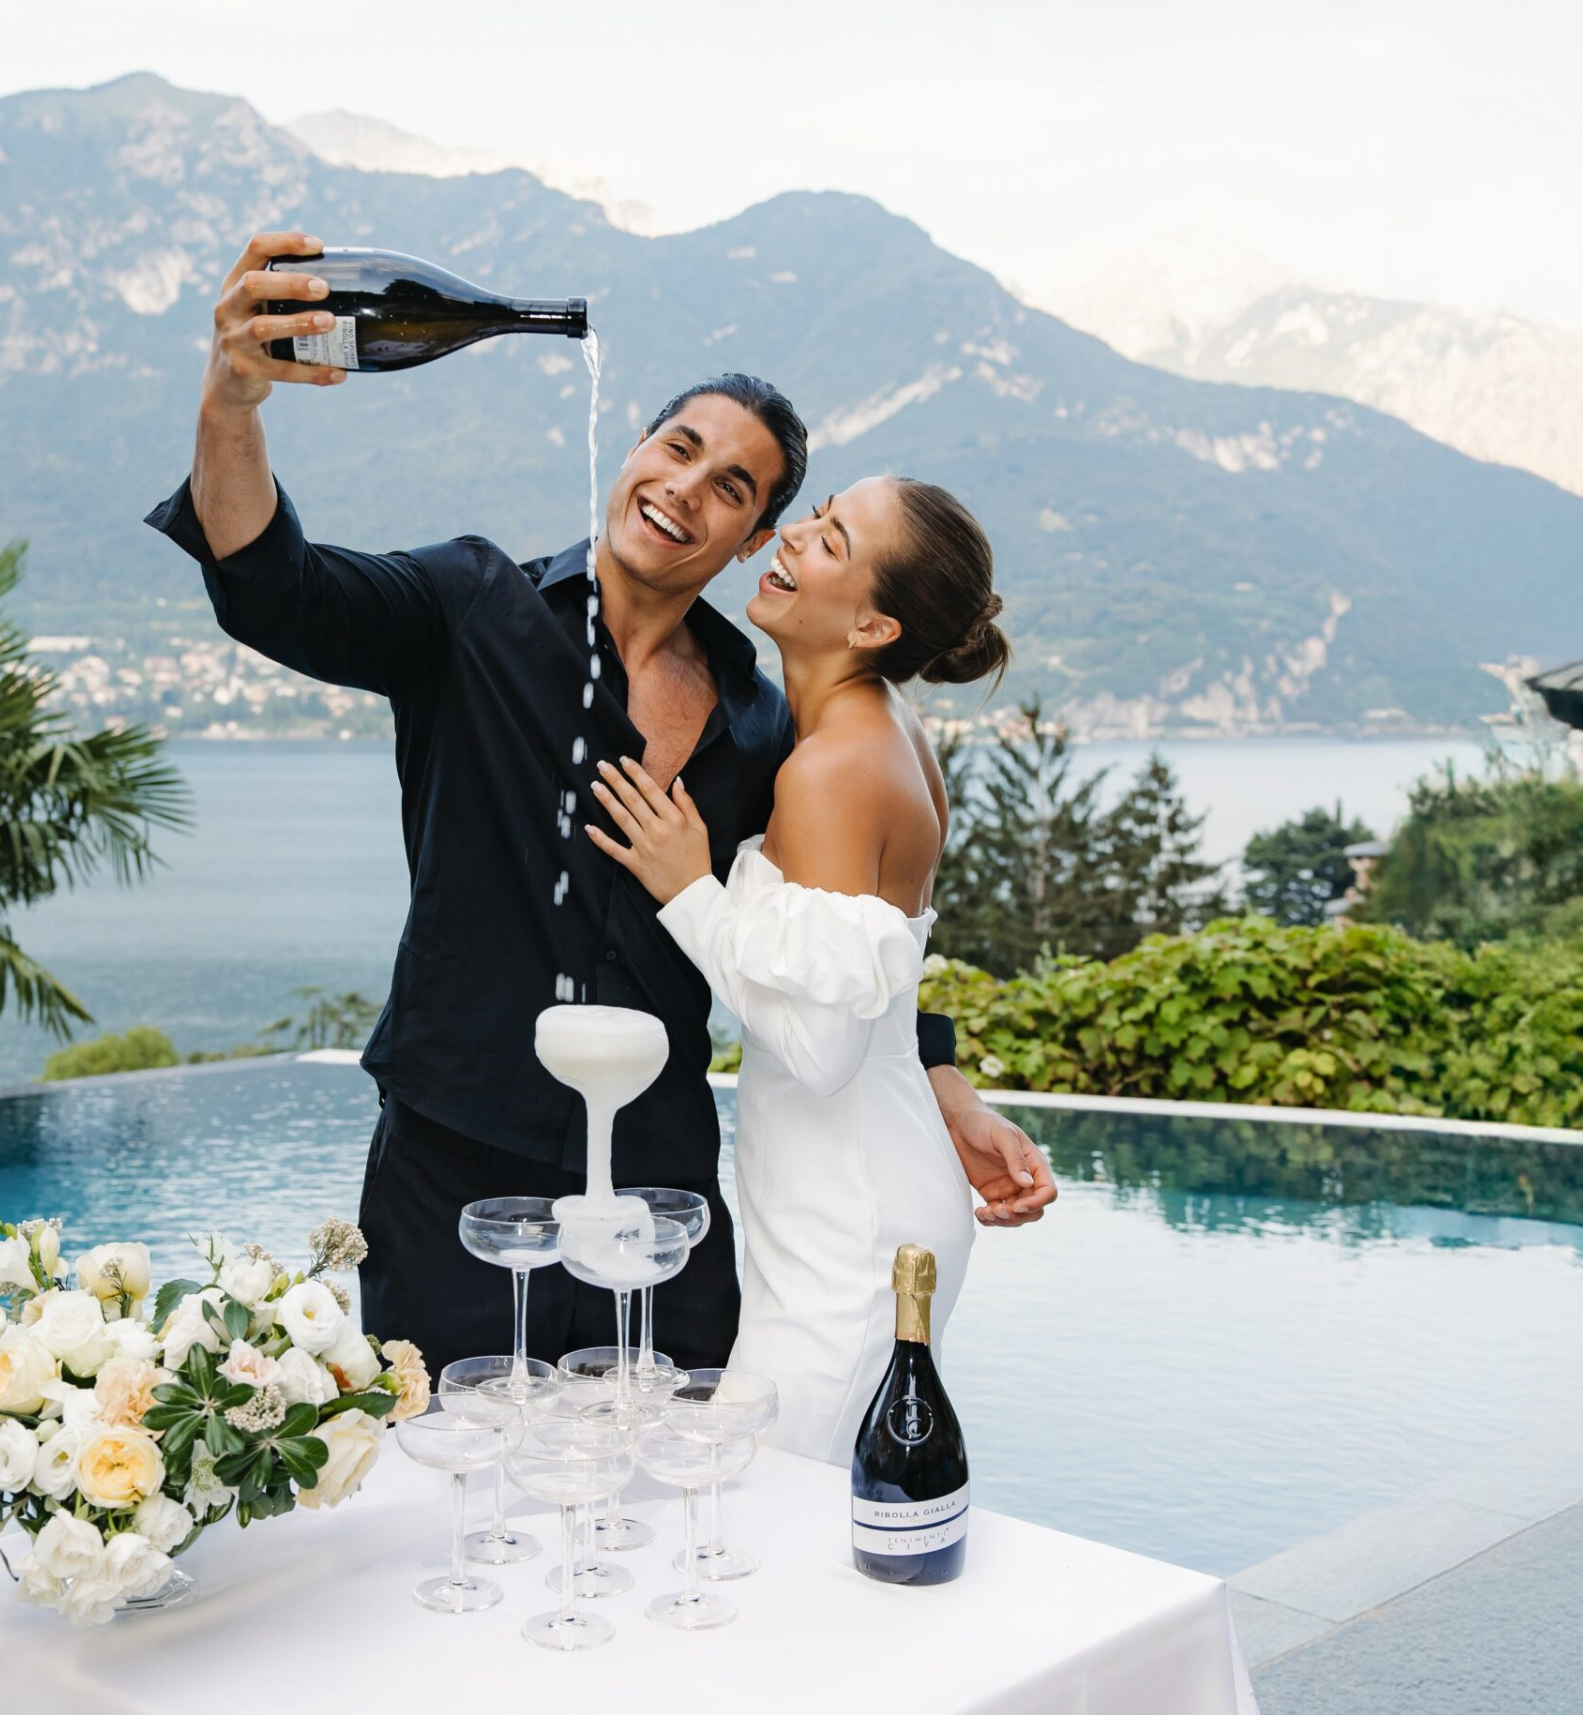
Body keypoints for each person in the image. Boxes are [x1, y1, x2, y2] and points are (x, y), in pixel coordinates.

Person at [148, 231, 1054, 1378]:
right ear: (633, 447)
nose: (686, 488)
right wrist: (233, 402)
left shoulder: (763, 723)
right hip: (455, 1174)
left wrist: (944, 1087)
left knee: (685, 1506)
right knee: (448, 1500)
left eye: (733, 487)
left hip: (663, 1193)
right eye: (678, 447)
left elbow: (834, 935)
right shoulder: (468, 607)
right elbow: (274, 584)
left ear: (751, 538)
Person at [587, 474, 1013, 1463]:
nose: (792, 538)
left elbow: (821, 1046)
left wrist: (690, 890)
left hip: (848, 1241)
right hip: (869, 1200)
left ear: (872, 623)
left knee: (757, 1508)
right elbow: (870, 983)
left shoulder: (831, 768)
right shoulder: (885, 729)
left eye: (831, 541)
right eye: (817, 515)